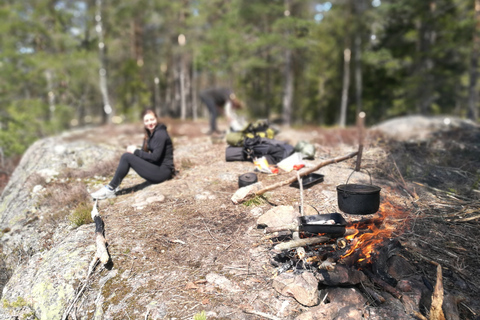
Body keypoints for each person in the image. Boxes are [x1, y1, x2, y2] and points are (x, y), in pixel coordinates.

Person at [90, 108, 175, 200]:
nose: (150, 123)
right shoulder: (149, 134)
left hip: (162, 172)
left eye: (152, 119)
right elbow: (144, 155)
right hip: (157, 168)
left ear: (156, 119)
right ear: (143, 122)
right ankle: (114, 185)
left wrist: (135, 151)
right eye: (147, 120)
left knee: (126, 157)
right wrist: (135, 152)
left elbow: (155, 157)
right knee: (128, 156)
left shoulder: (160, 134)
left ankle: (111, 188)